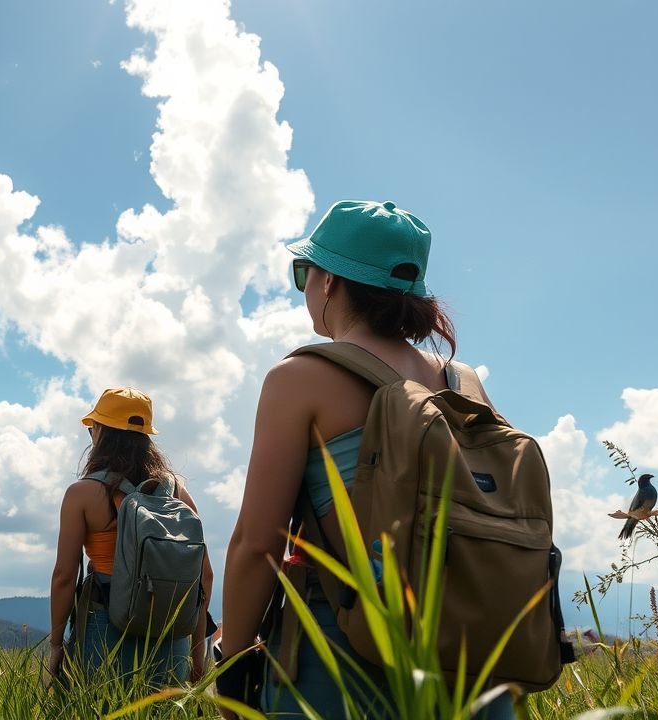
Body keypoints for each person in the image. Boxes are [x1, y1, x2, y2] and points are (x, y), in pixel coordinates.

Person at [216, 200, 510, 718]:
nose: (304, 286)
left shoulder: (299, 379)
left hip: (343, 664)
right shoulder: (465, 383)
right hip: (474, 666)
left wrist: (232, 669)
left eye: (304, 271)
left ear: (329, 281)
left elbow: (256, 543)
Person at [46, 387, 214, 685]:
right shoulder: (176, 492)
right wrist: (197, 657)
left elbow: (64, 576)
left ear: (100, 433)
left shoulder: (82, 494)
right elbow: (205, 578)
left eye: (93, 429)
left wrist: (56, 645)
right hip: (170, 634)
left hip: (105, 628)